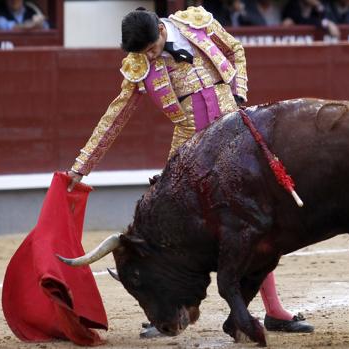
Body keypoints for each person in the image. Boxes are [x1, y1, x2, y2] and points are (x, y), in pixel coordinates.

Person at [66, 6, 314, 337]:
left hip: (234, 138)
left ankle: (274, 311)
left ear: (160, 29)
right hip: (190, 151)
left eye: (152, 48)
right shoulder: (140, 64)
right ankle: (167, 310)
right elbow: (116, 115)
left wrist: (239, 91)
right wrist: (82, 166)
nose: (151, 56)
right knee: (169, 232)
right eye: (145, 53)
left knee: (252, 223)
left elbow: (235, 50)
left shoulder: (196, 24)